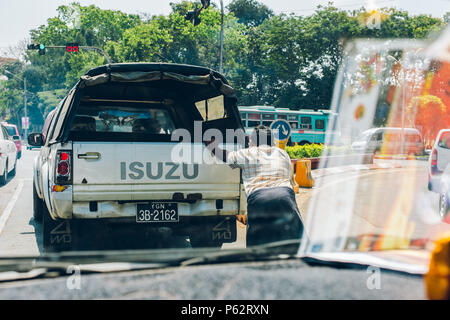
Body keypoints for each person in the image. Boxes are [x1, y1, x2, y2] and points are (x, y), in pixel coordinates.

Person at [205, 125, 304, 247]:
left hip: (259, 201)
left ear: (252, 141)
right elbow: (289, 177)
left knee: (257, 248)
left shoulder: (247, 153)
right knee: (296, 244)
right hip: (285, 198)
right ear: (272, 141)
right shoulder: (283, 154)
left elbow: (227, 157)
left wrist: (212, 145)